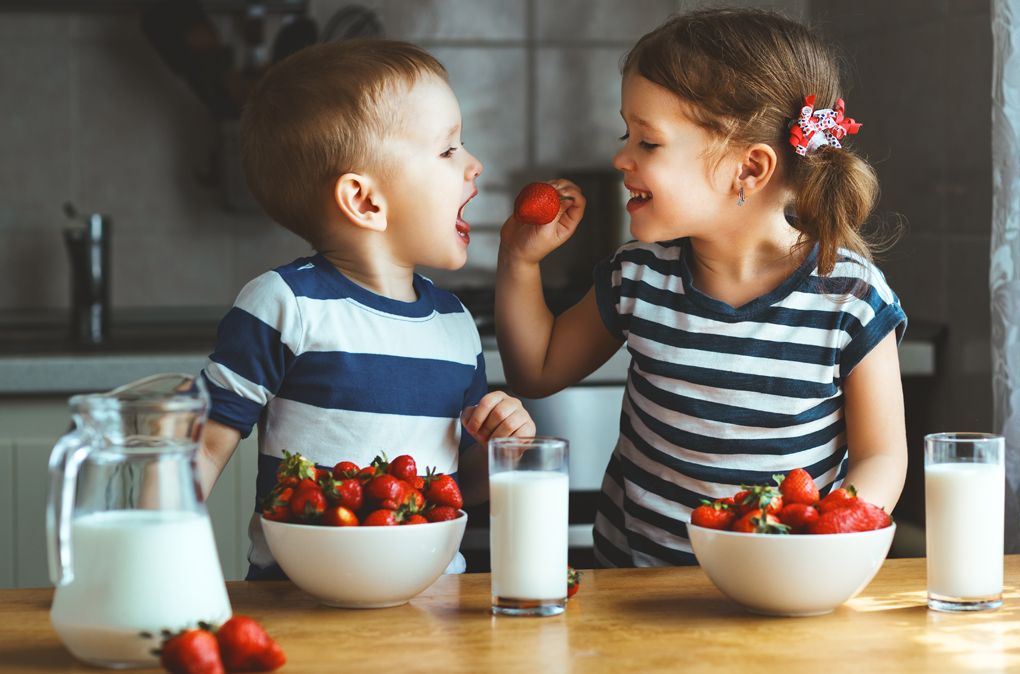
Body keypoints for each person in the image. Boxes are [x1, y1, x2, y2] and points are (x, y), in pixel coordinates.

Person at [495, 8, 907, 567]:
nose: (621, 158)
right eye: (627, 134)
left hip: (775, 588)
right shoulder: (638, 276)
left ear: (749, 169)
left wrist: (825, 541)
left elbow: (883, 457)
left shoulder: (850, 299)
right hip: (633, 593)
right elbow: (535, 370)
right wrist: (519, 261)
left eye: (649, 142)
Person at [198, 39, 535, 579]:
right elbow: (203, 447)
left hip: (433, 610)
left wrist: (504, 454)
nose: (475, 165)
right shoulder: (285, 306)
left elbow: (456, 488)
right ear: (365, 201)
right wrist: (154, 561)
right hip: (299, 608)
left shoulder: (454, 325)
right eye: (448, 150)